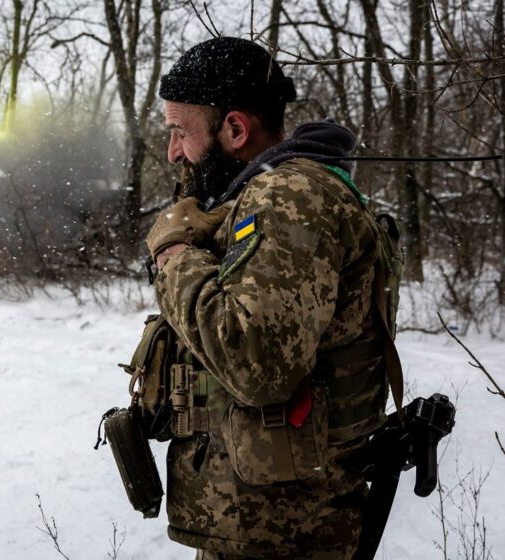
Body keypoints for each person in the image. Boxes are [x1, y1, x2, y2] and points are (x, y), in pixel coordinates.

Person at [144, 37, 393, 559]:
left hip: (286, 534)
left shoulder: (288, 196)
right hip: (264, 525)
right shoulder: (264, 196)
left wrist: (173, 254)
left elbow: (256, 363)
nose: (172, 152)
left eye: (178, 132)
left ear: (235, 128)